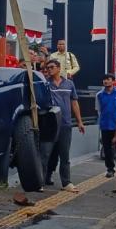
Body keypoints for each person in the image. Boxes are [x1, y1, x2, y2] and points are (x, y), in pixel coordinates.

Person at [41, 60, 86, 192]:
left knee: (65, 155)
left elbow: (74, 103)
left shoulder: (69, 84)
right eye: (47, 68)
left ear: (59, 68)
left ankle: (66, 183)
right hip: (49, 124)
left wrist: (79, 121)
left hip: (65, 124)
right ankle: (40, 181)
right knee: (44, 154)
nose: (49, 70)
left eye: (51, 67)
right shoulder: (45, 84)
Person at [97, 73, 116, 178]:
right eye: (104, 79)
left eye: (108, 79)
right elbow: (98, 110)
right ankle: (110, 169)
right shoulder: (99, 95)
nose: (106, 81)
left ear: (113, 81)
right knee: (107, 149)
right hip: (105, 126)